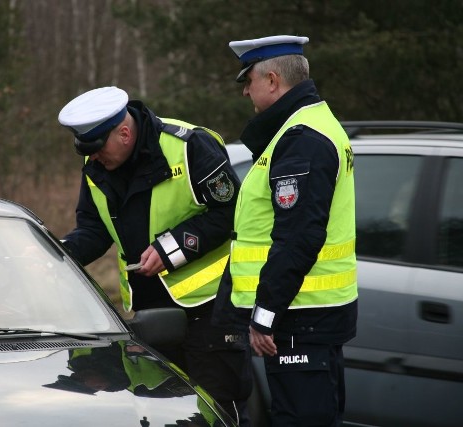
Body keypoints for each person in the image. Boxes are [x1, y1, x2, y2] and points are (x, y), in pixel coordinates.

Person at [58, 86, 251, 425]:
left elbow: (231, 212)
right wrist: (56, 255)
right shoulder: (96, 162)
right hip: (149, 318)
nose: (95, 157)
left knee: (216, 414)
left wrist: (172, 249)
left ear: (125, 132)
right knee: (156, 414)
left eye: (100, 148)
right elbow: (94, 229)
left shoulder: (190, 146)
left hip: (209, 313)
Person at [213, 35, 358, 426]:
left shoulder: (302, 139)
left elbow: (298, 237)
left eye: (249, 81)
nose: (246, 91)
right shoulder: (306, 126)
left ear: (273, 80)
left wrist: (266, 313)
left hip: (299, 317)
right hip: (306, 314)